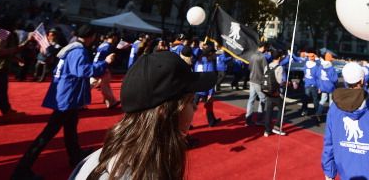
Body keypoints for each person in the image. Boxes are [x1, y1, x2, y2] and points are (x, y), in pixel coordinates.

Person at [69, 50, 217, 179]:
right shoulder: (137, 173)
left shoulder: (109, 157)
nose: (196, 107)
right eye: (190, 101)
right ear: (164, 113)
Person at [11, 25, 115, 180]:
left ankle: (75, 155)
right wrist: (105, 63)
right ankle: (22, 169)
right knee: (47, 134)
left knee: (70, 128)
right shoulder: (78, 50)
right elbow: (83, 71)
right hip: (67, 97)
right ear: (90, 36)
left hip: (66, 95)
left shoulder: (72, 48)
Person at [192, 42, 221, 127]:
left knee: (193, 106)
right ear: (211, 53)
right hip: (205, 87)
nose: (215, 54)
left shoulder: (198, 60)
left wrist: (200, 47)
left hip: (197, 86)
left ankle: (211, 121)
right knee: (208, 105)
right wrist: (211, 93)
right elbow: (210, 78)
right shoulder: (210, 62)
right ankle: (211, 121)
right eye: (214, 52)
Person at [91, 32, 120, 109]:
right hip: (102, 66)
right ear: (113, 37)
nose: (117, 39)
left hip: (96, 65)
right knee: (103, 85)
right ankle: (111, 102)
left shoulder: (102, 44)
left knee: (96, 83)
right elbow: (111, 58)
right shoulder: (110, 47)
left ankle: (110, 101)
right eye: (116, 37)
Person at [263, 50, 287, 137]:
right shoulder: (279, 67)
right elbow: (280, 81)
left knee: (268, 111)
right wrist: (287, 83)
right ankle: (276, 126)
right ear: (280, 57)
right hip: (276, 93)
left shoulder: (267, 66)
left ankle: (267, 130)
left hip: (268, 92)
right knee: (282, 109)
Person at [245, 42, 268, 126]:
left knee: (251, 99)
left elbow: (249, 68)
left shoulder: (252, 56)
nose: (266, 50)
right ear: (263, 47)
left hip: (252, 79)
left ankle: (248, 119)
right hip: (259, 80)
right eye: (265, 48)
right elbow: (266, 70)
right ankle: (259, 119)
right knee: (263, 99)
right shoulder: (262, 57)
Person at [301, 50, 321, 119]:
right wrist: (319, 87)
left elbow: (304, 72)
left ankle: (304, 110)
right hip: (314, 84)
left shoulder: (306, 64)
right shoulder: (316, 66)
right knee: (315, 99)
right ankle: (317, 112)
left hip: (307, 83)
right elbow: (318, 77)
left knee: (305, 98)